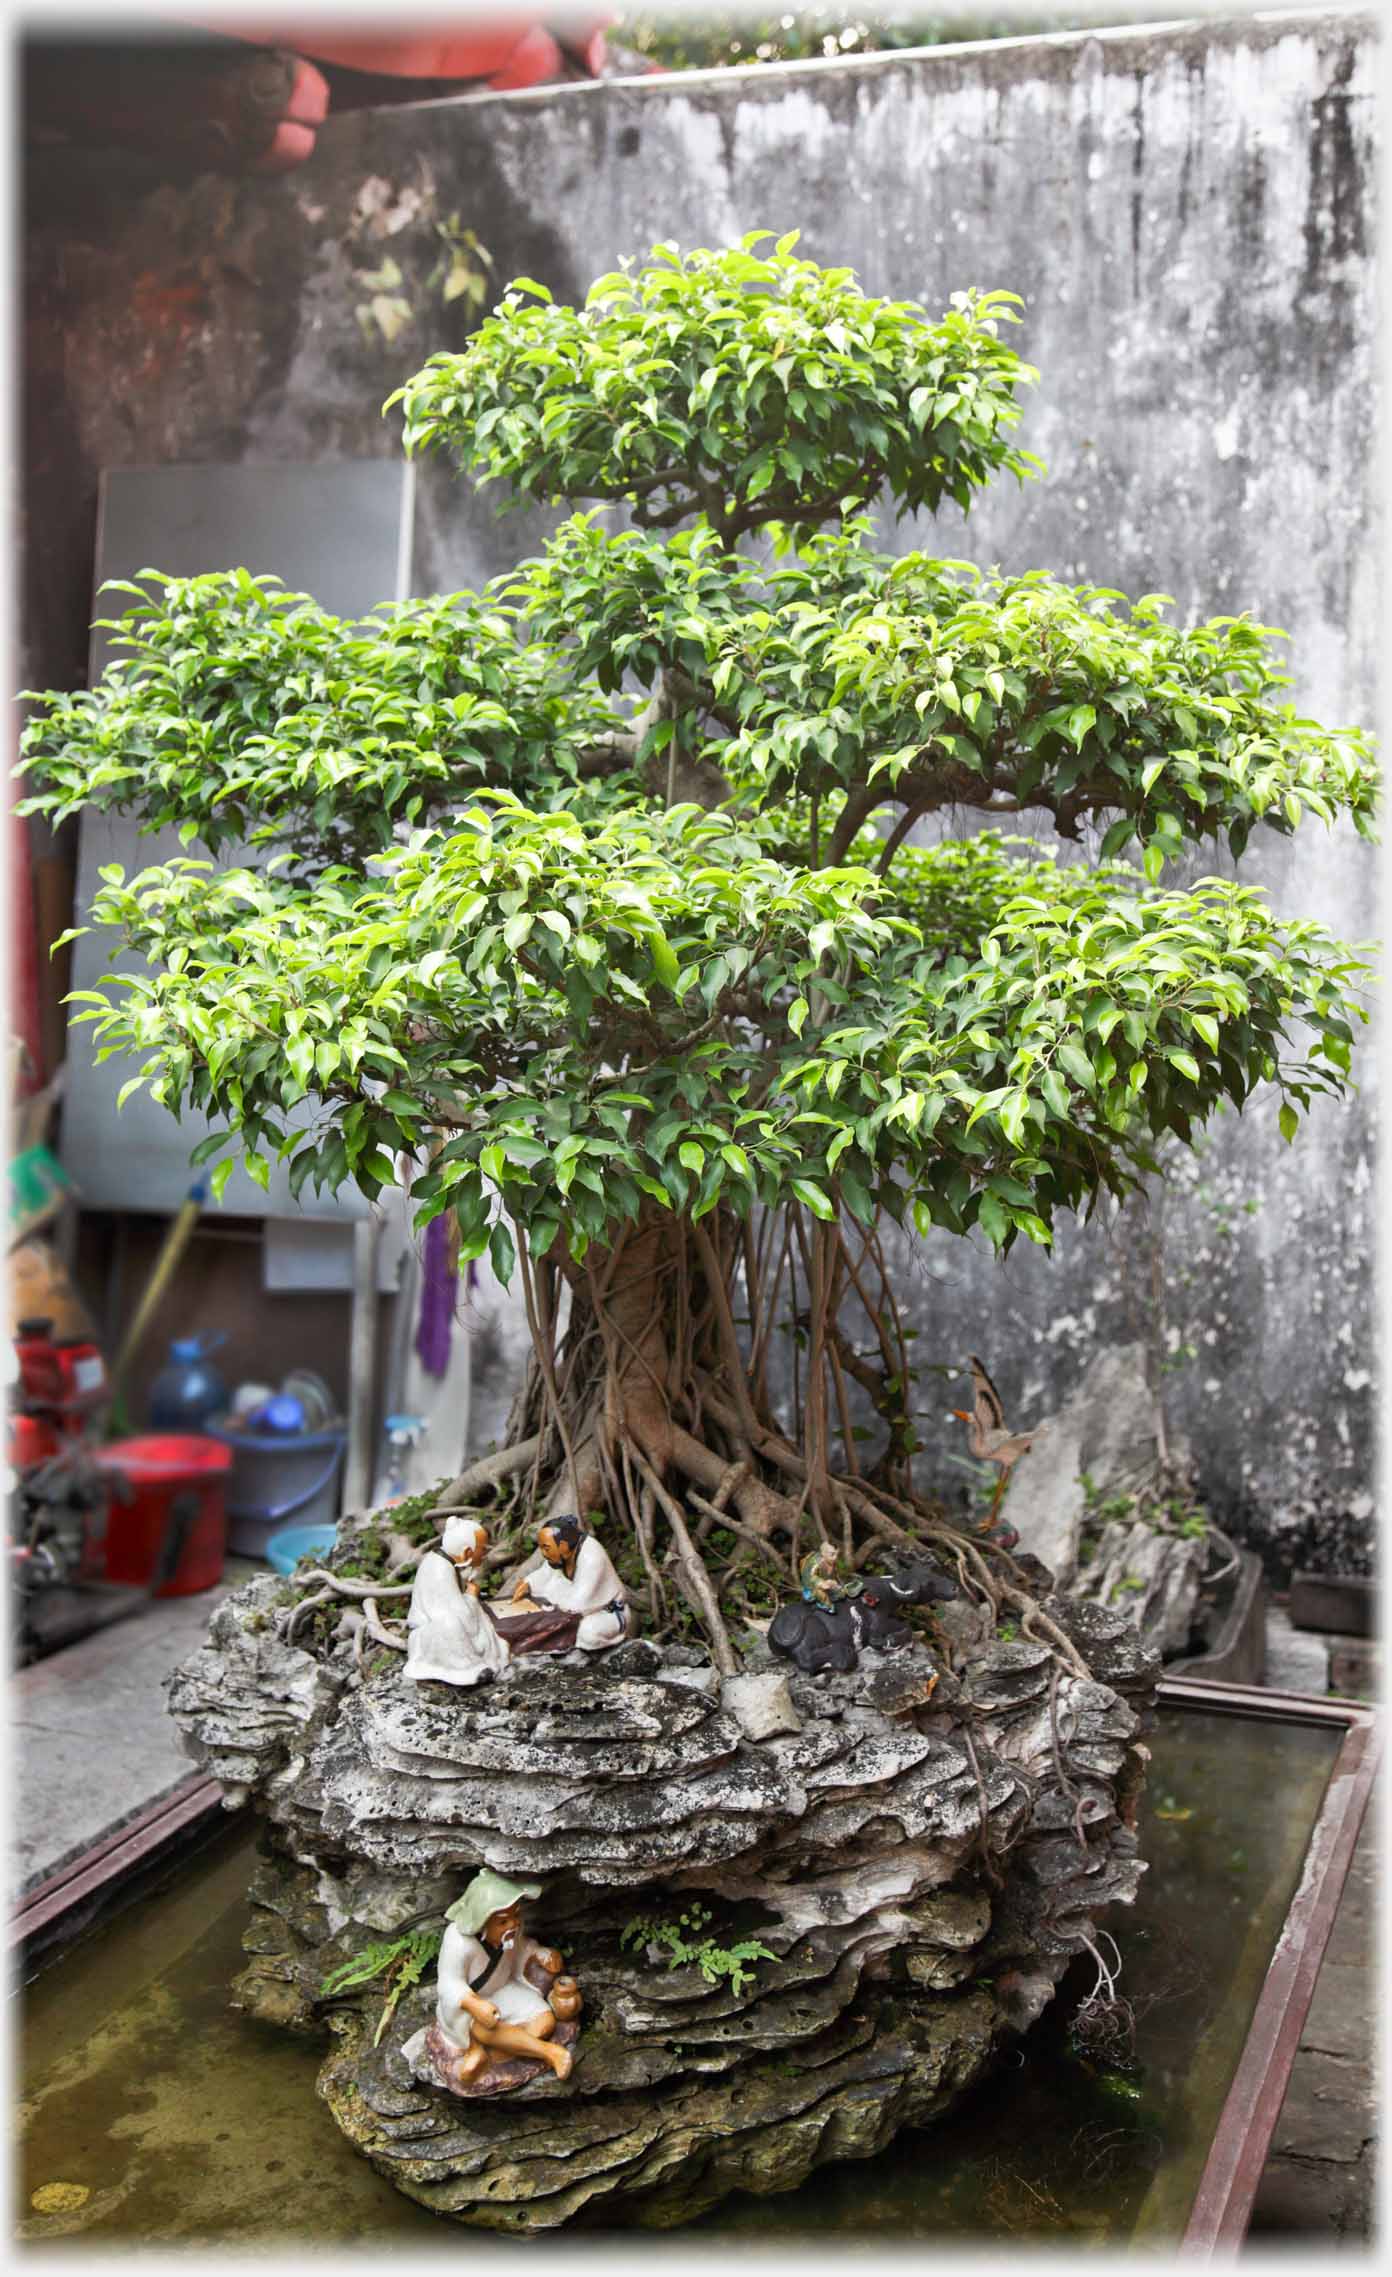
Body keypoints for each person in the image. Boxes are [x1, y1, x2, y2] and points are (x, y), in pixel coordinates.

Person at [426, 1869, 580, 2084]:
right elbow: (448, 1983)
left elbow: (520, 1947)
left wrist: (538, 1953)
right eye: (502, 1921)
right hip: (468, 2009)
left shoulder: (513, 1928)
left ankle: (488, 2052)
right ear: (481, 1920)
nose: (513, 1924)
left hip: (501, 1989)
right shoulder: (458, 1941)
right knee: (484, 2027)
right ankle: (550, 2052)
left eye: (516, 1915)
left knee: (545, 2022)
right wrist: (474, 2004)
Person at [404, 1515, 511, 1687]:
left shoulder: (444, 1560)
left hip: (443, 1622)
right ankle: (469, 1668)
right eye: (482, 1549)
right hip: (429, 1635)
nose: (485, 1554)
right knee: (451, 1625)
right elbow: (463, 1618)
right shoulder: (440, 1571)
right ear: (467, 1552)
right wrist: (471, 1595)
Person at [513, 1515, 628, 1651]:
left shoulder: (592, 1558)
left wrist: (552, 1602)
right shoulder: (563, 1554)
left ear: (563, 1546)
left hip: (606, 1614)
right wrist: (528, 1583)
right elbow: (545, 1573)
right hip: (573, 1605)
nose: (543, 1553)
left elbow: (579, 1603)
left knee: (587, 1632)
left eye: (546, 1548)